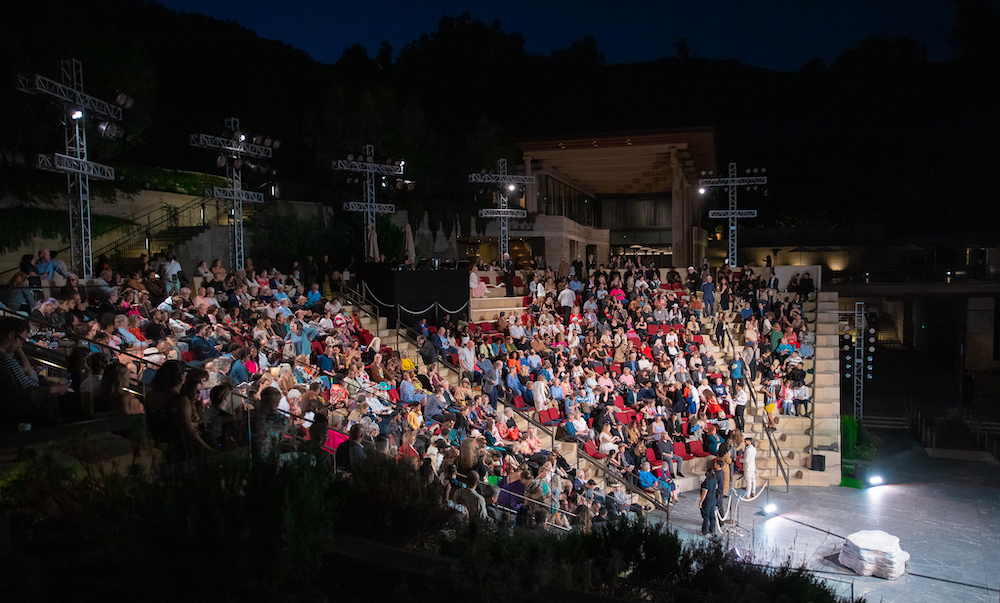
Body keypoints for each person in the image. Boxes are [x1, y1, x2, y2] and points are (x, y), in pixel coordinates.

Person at [0, 317, 67, 428]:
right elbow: (27, 391)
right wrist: (54, 389)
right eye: (21, 340)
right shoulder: (4, 358)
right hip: (21, 412)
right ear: (11, 335)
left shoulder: (6, 357)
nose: (21, 345)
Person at [699, 467, 719, 536]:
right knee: (712, 516)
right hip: (713, 500)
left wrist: (701, 501)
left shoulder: (706, 482)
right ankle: (712, 529)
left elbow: (704, 493)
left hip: (707, 501)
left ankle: (704, 531)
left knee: (706, 517)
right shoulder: (715, 480)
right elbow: (716, 487)